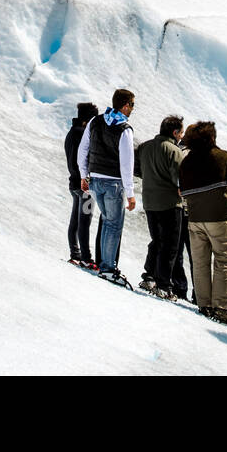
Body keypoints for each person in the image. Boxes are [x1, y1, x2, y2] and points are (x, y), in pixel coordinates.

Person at [178, 121, 227, 325]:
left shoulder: (186, 162)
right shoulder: (224, 156)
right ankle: (222, 308)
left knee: (200, 263)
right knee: (225, 262)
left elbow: (181, 190)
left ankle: (204, 304)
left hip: (195, 218)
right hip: (220, 217)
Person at [77, 89, 137, 283]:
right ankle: (108, 268)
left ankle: (105, 265)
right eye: (132, 105)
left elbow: (83, 149)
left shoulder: (95, 121)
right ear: (126, 105)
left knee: (106, 220)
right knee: (113, 224)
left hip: (94, 180)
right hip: (114, 183)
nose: (133, 109)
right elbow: (127, 164)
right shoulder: (124, 129)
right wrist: (130, 193)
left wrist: (83, 174)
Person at [137, 115, 187, 300]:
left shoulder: (145, 146)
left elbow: (136, 169)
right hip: (169, 202)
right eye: (181, 132)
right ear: (174, 132)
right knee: (170, 245)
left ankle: (149, 276)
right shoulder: (174, 150)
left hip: (149, 201)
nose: (181, 136)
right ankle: (164, 285)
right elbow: (180, 179)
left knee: (156, 240)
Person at [64, 102, 98, 265]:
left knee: (76, 221)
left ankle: (75, 253)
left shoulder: (71, 133)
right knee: (85, 221)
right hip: (85, 186)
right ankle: (85, 258)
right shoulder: (83, 135)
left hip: (74, 184)